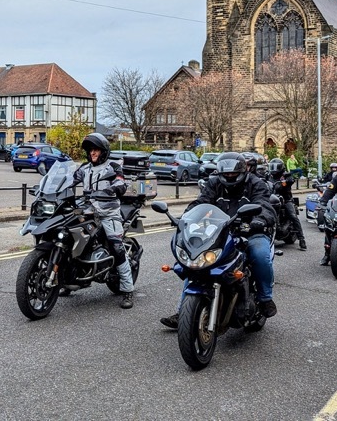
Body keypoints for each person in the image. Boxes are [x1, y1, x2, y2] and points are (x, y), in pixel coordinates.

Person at [160, 152, 278, 328]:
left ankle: (265, 298)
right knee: (196, 263)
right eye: (225, 174)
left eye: (232, 174)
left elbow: (264, 205)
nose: (229, 177)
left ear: (242, 171)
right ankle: (182, 312)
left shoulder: (256, 183)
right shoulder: (214, 183)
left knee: (260, 254)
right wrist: (186, 218)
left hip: (250, 230)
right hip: (219, 232)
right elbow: (201, 202)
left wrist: (259, 220)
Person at [73, 132, 134, 309]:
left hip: (108, 213)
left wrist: (114, 188)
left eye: (96, 150)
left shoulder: (113, 167)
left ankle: (128, 289)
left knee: (116, 246)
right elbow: (69, 180)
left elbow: (121, 182)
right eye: (90, 150)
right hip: (87, 212)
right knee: (69, 236)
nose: (92, 153)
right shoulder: (84, 168)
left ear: (103, 151)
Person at [267, 157, 306, 251]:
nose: (274, 170)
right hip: (271, 198)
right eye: (272, 167)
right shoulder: (268, 176)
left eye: (276, 167)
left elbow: (290, 179)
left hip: (285, 200)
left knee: (293, 216)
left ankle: (302, 239)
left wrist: (287, 181)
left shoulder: (285, 176)